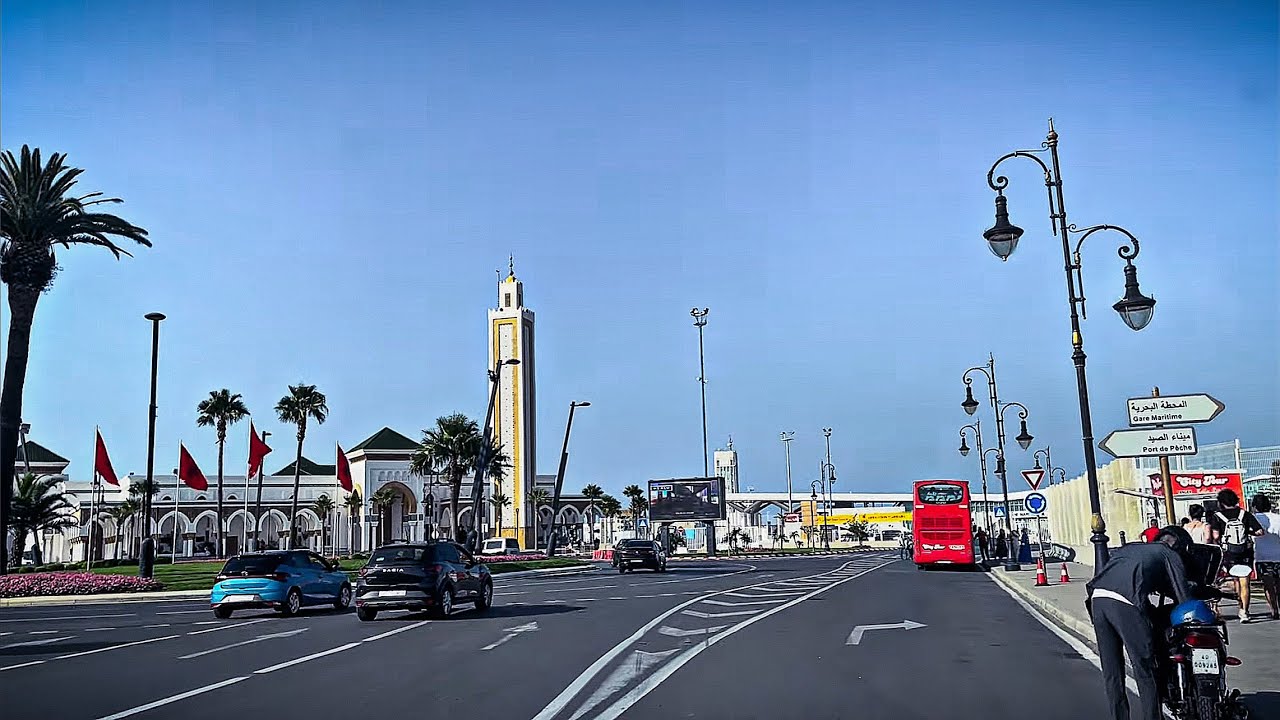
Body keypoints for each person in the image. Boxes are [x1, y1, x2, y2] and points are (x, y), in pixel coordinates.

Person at [1086, 526, 1193, 720]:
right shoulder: (1168, 554)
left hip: (1097, 599)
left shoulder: (1132, 548)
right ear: (1179, 546)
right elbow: (1183, 595)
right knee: (1144, 667)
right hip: (1125, 602)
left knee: (1112, 671)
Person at [1208, 488, 1264, 623]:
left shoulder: (1217, 516)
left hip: (1229, 553)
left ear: (1221, 502)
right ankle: (1244, 611)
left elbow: (1215, 536)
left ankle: (1240, 603)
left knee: (1236, 580)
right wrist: (1247, 533)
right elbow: (1260, 531)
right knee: (1245, 582)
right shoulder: (1245, 514)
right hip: (1245, 552)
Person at [1251, 494, 1280, 621]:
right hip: (1278, 556)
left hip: (1262, 557)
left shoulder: (1252, 519)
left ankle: (1274, 609)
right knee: (1279, 585)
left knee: (1268, 586)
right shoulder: (1277, 518)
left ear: (1254, 506)